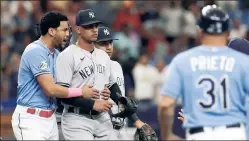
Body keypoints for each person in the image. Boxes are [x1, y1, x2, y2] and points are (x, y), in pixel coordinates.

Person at [158, 5, 249, 140]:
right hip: (234, 133)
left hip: (200, 133)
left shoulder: (184, 60)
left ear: (200, 32)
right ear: (227, 33)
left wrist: (168, 135)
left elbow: (165, 104)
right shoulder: (242, 63)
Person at [11, 12, 98, 140]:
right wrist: (81, 91)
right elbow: (50, 89)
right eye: (64, 30)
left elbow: (64, 85)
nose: (68, 34)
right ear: (51, 31)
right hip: (31, 118)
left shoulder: (56, 54)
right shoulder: (35, 50)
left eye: (68, 30)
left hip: (50, 119)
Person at [55, 9, 137, 140]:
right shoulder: (67, 55)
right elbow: (61, 95)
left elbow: (112, 85)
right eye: (89, 26)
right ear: (78, 29)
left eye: (96, 26)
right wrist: (92, 104)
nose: (94, 29)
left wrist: (122, 102)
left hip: (102, 118)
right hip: (77, 119)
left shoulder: (103, 56)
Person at [94, 25, 158, 140]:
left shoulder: (117, 66)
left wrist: (137, 121)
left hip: (121, 124)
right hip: (101, 125)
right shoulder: (90, 67)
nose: (109, 47)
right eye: (103, 44)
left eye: (110, 43)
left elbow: (121, 99)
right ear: (93, 44)